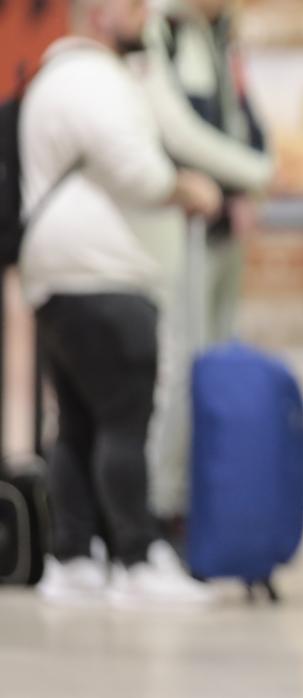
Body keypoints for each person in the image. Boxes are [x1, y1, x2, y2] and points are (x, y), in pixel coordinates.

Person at [20, 0, 222, 606]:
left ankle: (75, 555)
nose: (147, 16)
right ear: (101, 14)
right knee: (123, 423)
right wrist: (186, 187)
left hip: (60, 275)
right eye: (133, 5)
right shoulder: (92, 79)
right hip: (103, 272)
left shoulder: (55, 77)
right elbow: (137, 170)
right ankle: (135, 558)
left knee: (78, 425)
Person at [129, 0, 274, 523]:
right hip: (178, 228)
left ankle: (196, 505)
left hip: (221, 229)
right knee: (179, 368)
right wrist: (255, 172)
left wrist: (248, 182)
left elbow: (239, 114)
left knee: (213, 363)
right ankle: (161, 507)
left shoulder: (220, 34)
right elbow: (177, 131)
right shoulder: (158, 29)